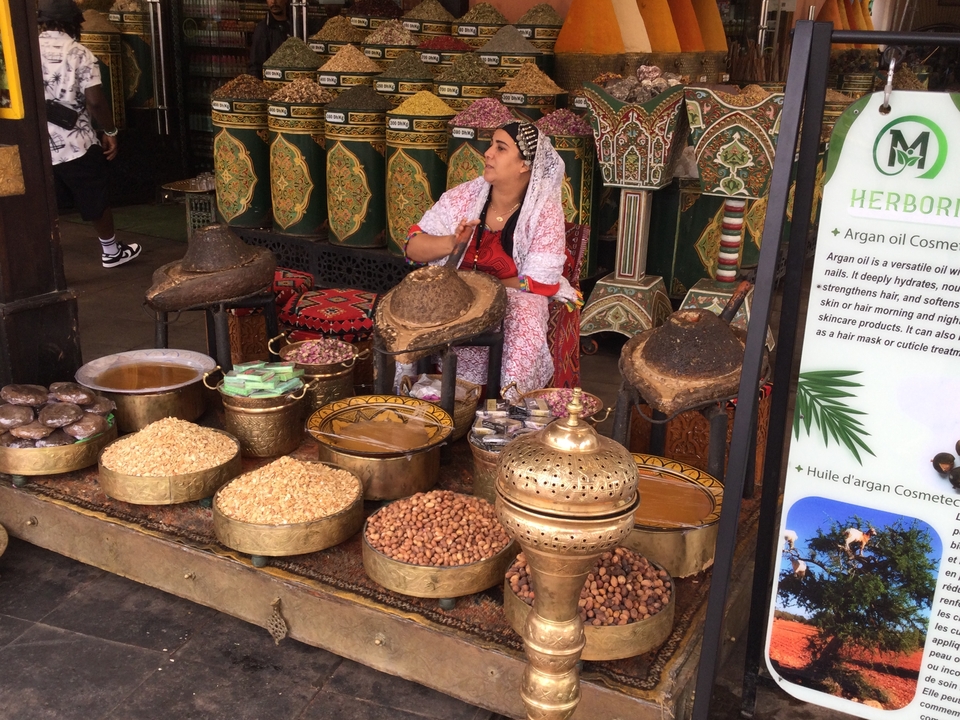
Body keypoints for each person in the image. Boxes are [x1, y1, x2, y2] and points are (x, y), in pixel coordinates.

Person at [403, 121, 580, 397]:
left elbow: (538, 282)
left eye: (500, 148)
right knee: (420, 295)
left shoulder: (543, 211)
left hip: (510, 294)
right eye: (490, 145)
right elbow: (413, 248)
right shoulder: (462, 198)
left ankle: (509, 405)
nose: (488, 153)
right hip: (455, 292)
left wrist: (486, 293)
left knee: (524, 309)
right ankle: (423, 396)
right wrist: (452, 243)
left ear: (524, 165)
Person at [38, 0, 140, 268]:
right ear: (72, 23)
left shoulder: (24, 51)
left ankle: (43, 262)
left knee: (43, 204)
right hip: (75, 143)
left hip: (38, 144)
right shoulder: (79, 53)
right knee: (94, 194)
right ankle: (111, 251)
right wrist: (110, 130)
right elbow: (95, 102)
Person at [248, 0, 292, 79]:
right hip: (272, 82)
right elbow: (255, 65)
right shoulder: (263, 29)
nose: (274, 2)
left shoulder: (296, 25)